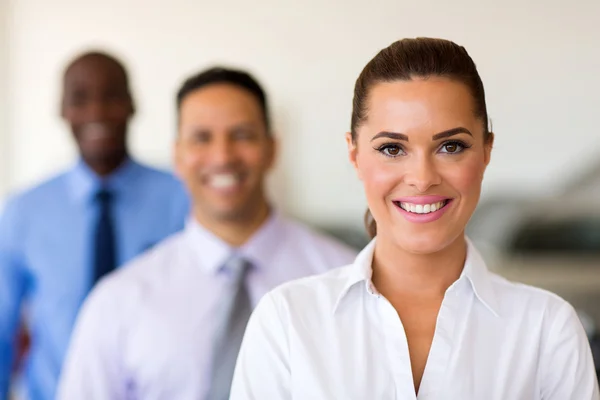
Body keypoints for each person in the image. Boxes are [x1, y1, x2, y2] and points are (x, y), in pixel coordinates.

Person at [230, 38, 600, 399]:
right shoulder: (287, 321)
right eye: (392, 148)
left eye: (450, 146)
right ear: (355, 154)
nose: (422, 178)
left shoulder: (547, 330)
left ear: (486, 151)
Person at [56, 66, 357, 400]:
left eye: (242, 135)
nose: (223, 156)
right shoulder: (118, 301)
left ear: (272, 149)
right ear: (178, 156)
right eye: (201, 138)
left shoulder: (347, 281)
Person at [0, 51, 189, 400]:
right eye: (80, 97)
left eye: (112, 95)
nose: (97, 111)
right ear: (61, 109)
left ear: (133, 104)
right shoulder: (23, 211)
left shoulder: (183, 199)